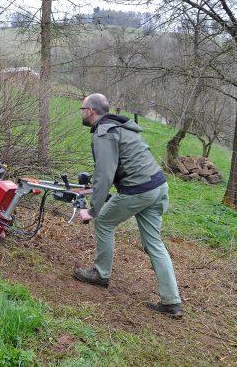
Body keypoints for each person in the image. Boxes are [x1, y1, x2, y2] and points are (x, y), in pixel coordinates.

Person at [74, 93, 183, 318]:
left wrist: (93, 210)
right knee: (154, 243)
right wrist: (97, 191)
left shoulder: (104, 134)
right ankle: (172, 301)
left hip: (139, 190)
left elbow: (104, 175)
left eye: (82, 108)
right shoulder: (121, 127)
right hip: (158, 187)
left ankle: (100, 274)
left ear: (91, 111)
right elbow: (118, 168)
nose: (82, 112)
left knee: (103, 221)